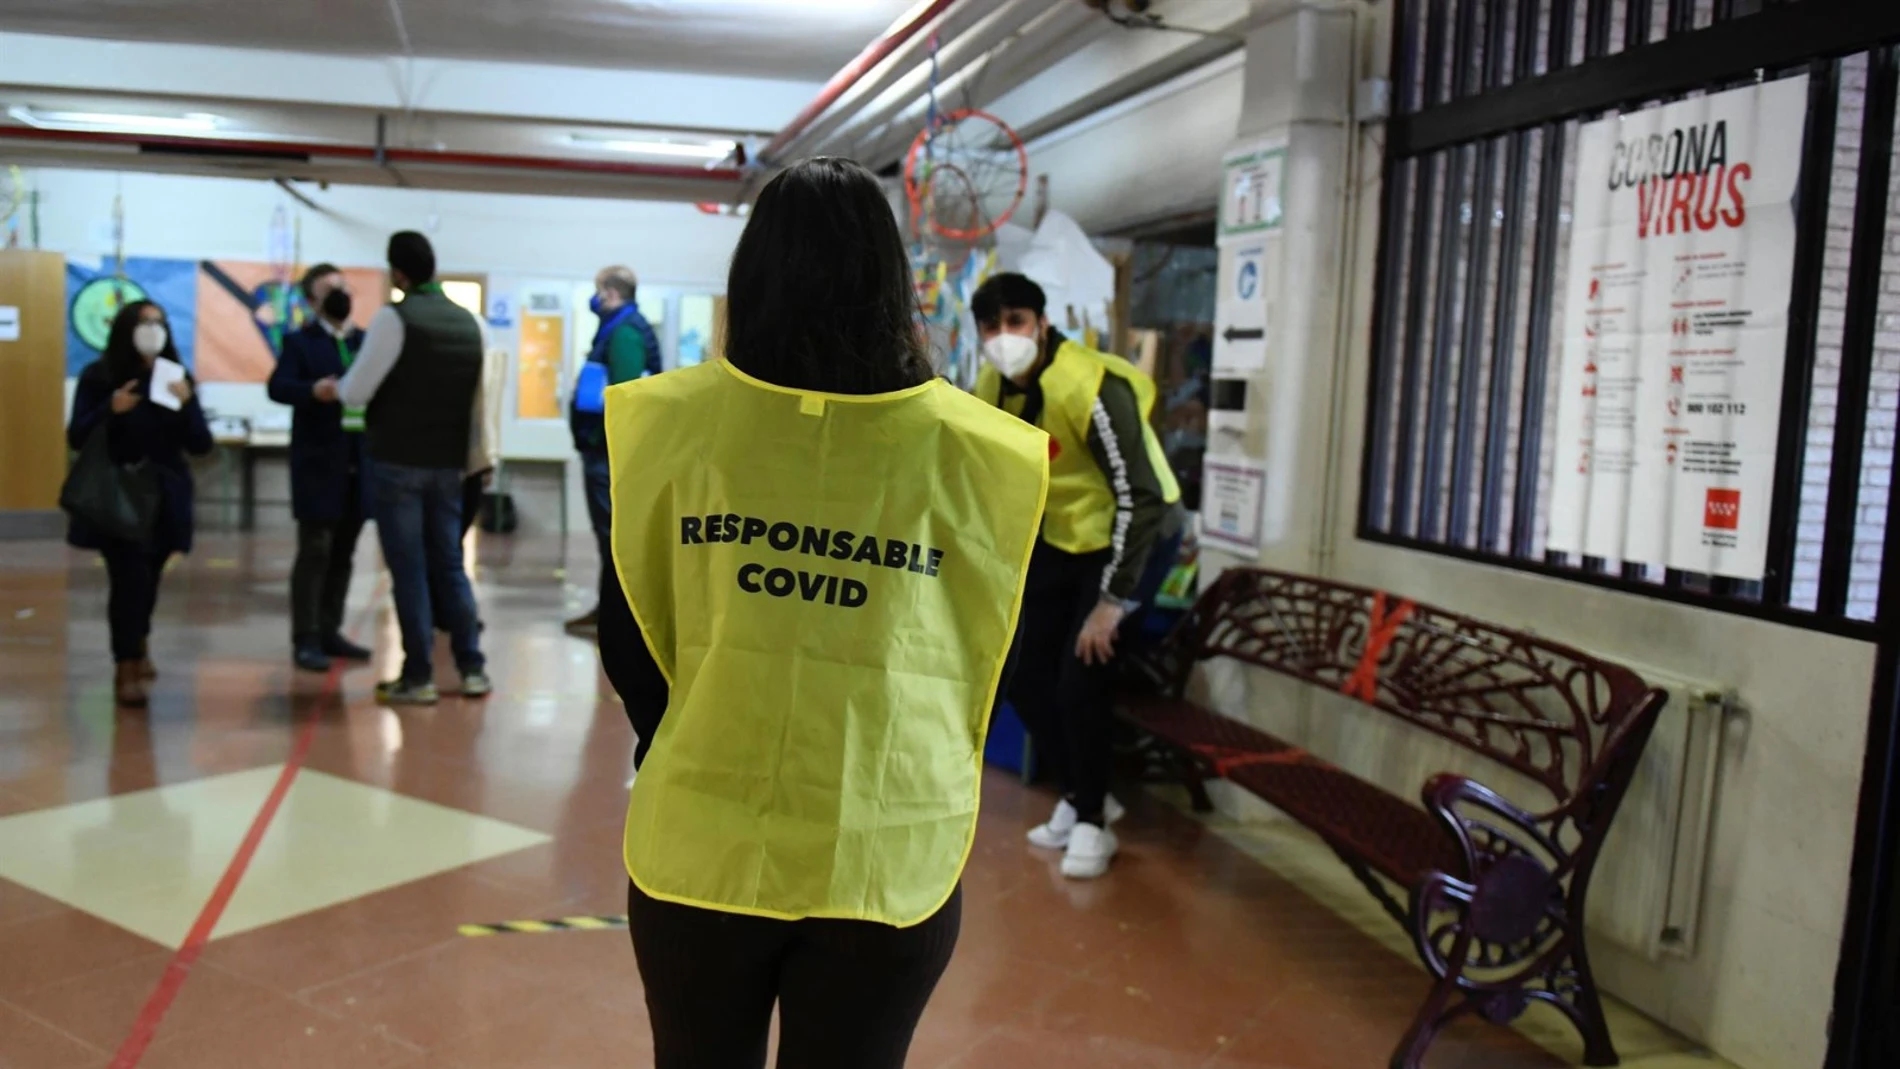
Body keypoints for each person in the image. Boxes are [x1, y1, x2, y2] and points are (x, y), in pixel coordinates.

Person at [595, 157, 1048, 1069]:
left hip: (703, 831)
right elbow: (998, 644)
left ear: (750, 277)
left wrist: (684, 730)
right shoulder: (979, 454)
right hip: (886, 842)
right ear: (894, 281)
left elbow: (628, 628)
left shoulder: (672, 429)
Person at [970, 271, 1186, 880]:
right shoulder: (991, 384)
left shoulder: (1088, 385)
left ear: (1041, 324)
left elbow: (1140, 497)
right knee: (1023, 675)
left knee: (1082, 672)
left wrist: (1112, 603)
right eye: (991, 326)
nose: (1003, 337)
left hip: (1136, 534)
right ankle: (1081, 791)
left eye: (1016, 322)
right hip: (1066, 535)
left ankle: (1092, 820)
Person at [337, 231, 489, 704]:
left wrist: (337, 387)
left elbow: (355, 392)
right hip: (450, 467)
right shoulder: (472, 324)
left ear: (398, 273)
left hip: (397, 463)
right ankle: (471, 668)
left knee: (409, 570)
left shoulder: (393, 319)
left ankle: (418, 675)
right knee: (449, 565)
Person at [66, 301, 213, 707]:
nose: (152, 330)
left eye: (159, 323)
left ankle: (140, 640)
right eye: (144, 323)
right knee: (128, 580)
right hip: (121, 496)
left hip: (165, 497)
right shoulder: (101, 377)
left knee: (148, 580)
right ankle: (125, 666)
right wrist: (109, 410)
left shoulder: (176, 378)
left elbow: (201, 443)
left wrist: (185, 404)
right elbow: (76, 436)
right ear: (126, 329)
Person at [268, 263, 375, 673]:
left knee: (344, 552)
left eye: (342, 287)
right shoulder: (301, 342)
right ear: (312, 301)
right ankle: (306, 636)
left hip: (358, 460)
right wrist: (313, 391)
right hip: (318, 462)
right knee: (315, 550)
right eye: (329, 290)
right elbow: (278, 386)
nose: (339, 294)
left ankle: (331, 629)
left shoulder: (366, 342)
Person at [566, 264, 662, 637]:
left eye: (598, 291)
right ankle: (607, 612)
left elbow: (624, 400)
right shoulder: (621, 326)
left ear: (610, 293)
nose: (595, 299)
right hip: (605, 451)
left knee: (612, 538)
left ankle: (618, 620)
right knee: (609, 537)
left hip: (609, 455)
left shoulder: (624, 332)